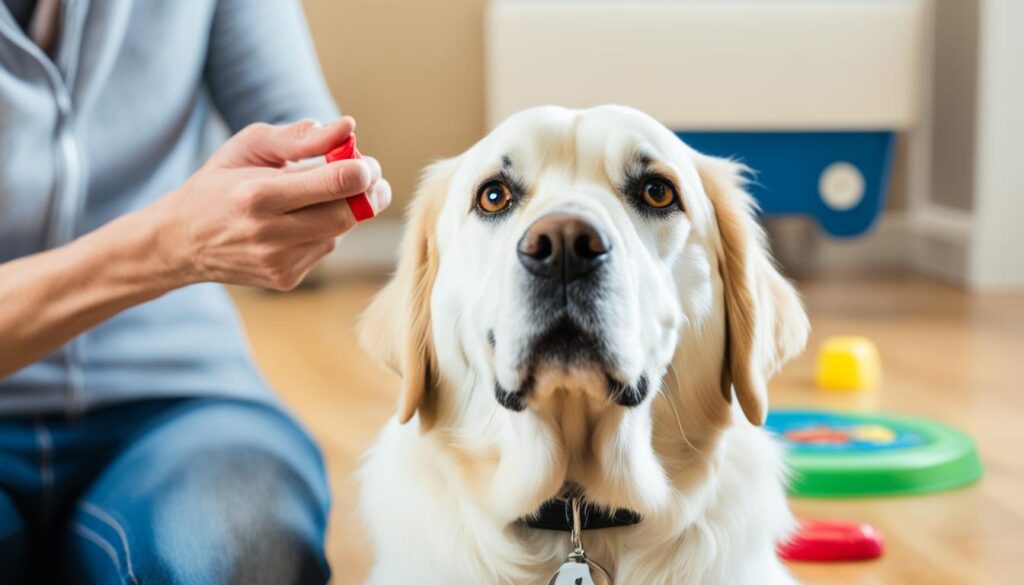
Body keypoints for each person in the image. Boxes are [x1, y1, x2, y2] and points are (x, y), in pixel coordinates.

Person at [0, 1, 392, 583]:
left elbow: (296, 121)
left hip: (183, 394)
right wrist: (167, 244)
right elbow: (170, 243)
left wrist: (309, 186)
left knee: (249, 555)